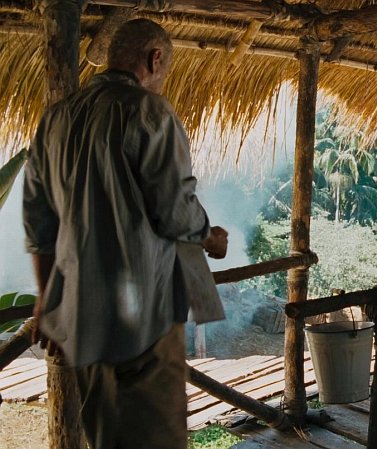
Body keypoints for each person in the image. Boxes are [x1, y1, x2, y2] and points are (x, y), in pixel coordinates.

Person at [23, 19, 227, 449]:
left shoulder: (56, 119)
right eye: (164, 69)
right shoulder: (149, 112)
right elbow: (175, 213)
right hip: (144, 319)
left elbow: (39, 225)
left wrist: (46, 299)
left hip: (83, 318)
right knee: (157, 437)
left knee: (106, 437)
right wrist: (210, 237)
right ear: (155, 58)